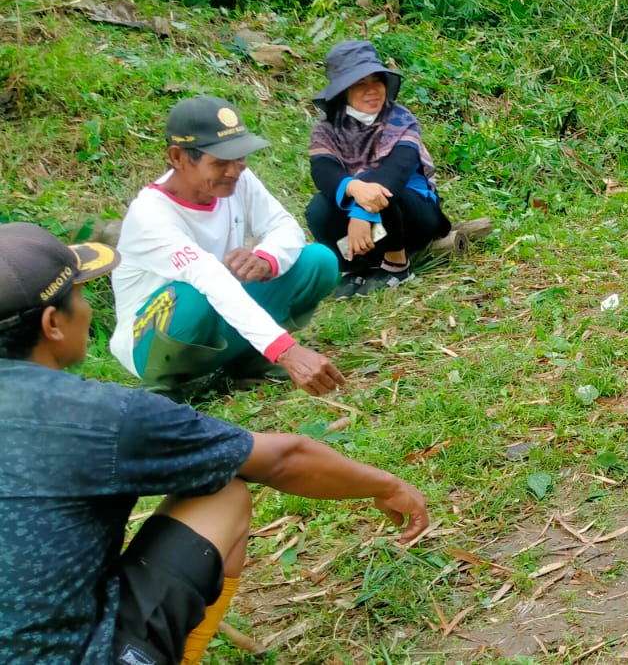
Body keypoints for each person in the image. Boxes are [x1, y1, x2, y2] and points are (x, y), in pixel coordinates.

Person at [0, 221, 429, 664]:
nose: (86, 309)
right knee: (222, 493)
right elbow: (282, 459)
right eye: (81, 295)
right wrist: (388, 485)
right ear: (53, 323)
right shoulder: (96, 414)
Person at [111, 96, 343, 400]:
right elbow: (210, 278)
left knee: (318, 261)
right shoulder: (151, 215)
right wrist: (286, 350)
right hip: (155, 341)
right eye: (219, 162)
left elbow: (284, 226)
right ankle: (162, 389)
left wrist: (266, 259)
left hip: (219, 312)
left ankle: (246, 359)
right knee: (194, 295)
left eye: (240, 158)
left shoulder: (237, 179)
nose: (234, 171)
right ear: (178, 157)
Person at [305, 41, 452, 299]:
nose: (372, 91)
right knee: (318, 208)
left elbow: (395, 172)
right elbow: (323, 171)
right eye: (360, 83)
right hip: (361, 213)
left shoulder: (401, 120)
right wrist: (354, 188)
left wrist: (362, 210)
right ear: (342, 91)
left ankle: (397, 265)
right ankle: (355, 266)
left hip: (412, 216)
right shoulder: (326, 130)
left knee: (387, 194)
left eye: (377, 81)